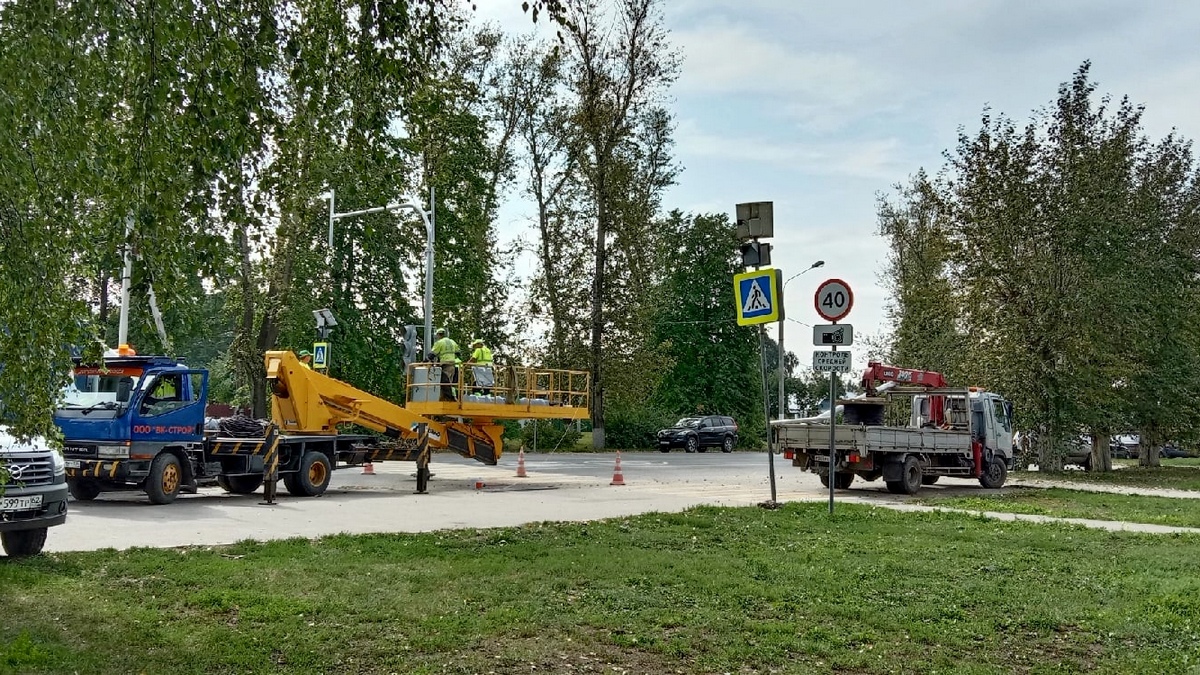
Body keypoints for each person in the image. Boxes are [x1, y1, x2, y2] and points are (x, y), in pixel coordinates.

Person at [431, 328, 459, 401]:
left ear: (438, 335)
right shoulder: (452, 342)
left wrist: (425, 361)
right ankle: (450, 397)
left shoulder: (439, 342)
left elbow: (432, 354)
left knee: (444, 381)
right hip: (452, 364)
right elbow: (458, 352)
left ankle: (449, 398)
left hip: (445, 364)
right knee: (449, 382)